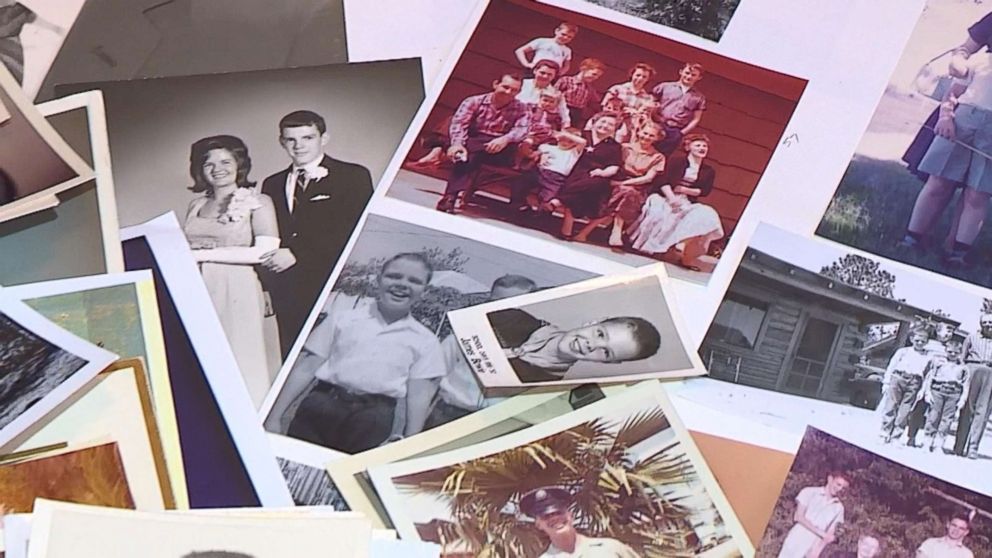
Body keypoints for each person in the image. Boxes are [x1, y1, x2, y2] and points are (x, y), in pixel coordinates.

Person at [265, 253, 445, 453]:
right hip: (322, 405)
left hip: (373, 418)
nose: (402, 284)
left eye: (414, 281)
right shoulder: (343, 319)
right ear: (379, 279)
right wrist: (274, 417)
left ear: (424, 291)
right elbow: (306, 368)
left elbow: (418, 395)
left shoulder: (426, 340)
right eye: (394, 276)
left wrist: (410, 445)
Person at [259, 110, 374, 359]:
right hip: (286, 288)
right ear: (282, 142)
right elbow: (267, 236)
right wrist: (265, 285)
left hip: (331, 283)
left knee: (335, 355)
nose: (298, 146)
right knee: (292, 356)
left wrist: (298, 253)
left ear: (324, 138)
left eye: (308, 138)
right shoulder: (272, 183)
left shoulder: (353, 176)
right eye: (291, 139)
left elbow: (353, 229)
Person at [182, 135, 279, 408]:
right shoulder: (196, 205)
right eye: (208, 163)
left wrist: (200, 255)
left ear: (240, 164)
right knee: (201, 356)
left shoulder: (259, 201)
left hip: (237, 286)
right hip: (196, 286)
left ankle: (247, 419)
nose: (217, 168)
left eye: (225, 161)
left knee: (240, 356)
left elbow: (264, 251)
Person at [901, 14, 992, 266]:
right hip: (962, 119)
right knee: (939, 181)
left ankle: (957, 253)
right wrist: (946, 116)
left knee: (978, 193)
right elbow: (956, 82)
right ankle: (912, 239)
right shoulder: (982, 61)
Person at [424, 275, 538, 429]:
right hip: (447, 416)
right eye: (493, 303)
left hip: (496, 425)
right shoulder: (463, 337)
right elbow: (430, 380)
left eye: (509, 305)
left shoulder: (538, 350)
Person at [435, 73, 531, 214]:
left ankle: (450, 195)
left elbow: (522, 129)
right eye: (505, 87)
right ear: (495, 84)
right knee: (469, 154)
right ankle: (451, 197)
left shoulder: (522, 108)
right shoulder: (474, 101)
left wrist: (505, 139)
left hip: (501, 148)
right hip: (476, 142)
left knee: (470, 150)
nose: (509, 92)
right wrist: (457, 144)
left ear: (519, 92)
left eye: (514, 90)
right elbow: (460, 124)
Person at [487, 306, 661, 383]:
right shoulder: (514, 318)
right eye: (600, 333)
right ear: (594, 321)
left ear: (608, 363)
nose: (592, 345)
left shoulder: (541, 385)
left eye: (606, 352)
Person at [627, 134, 723, 271]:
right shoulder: (676, 161)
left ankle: (685, 251)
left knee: (706, 214)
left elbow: (704, 191)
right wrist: (672, 198)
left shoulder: (708, 171)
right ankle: (648, 247)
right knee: (659, 214)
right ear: (688, 147)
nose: (702, 148)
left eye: (704, 146)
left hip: (686, 200)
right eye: (698, 145)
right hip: (665, 196)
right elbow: (664, 182)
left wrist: (684, 189)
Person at [596, 121, 666, 249]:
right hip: (615, 179)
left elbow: (648, 178)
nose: (646, 137)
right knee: (625, 191)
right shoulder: (625, 148)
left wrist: (623, 183)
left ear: (657, 138)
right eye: (645, 133)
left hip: (638, 186)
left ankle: (616, 230)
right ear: (639, 132)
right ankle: (615, 230)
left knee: (629, 192)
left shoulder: (658, 157)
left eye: (651, 135)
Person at [553, 112, 623, 240]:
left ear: (615, 129)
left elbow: (615, 167)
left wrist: (603, 172)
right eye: (603, 121)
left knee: (595, 182)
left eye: (611, 124)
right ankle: (566, 231)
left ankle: (558, 202)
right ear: (594, 122)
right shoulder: (581, 135)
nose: (605, 126)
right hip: (575, 171)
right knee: (579, 183)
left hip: (596, 177)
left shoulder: (615, 147)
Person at [519, 486, 640, 558]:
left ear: (570, 515)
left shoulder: (611, 548)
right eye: (546, 516)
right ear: (538, 524)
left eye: (558, 512)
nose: (555, 518)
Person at [509, 128, 586, 213]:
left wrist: (564, 134)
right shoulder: (547, 147)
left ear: (575, 143)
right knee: (520, 182)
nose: (565, 143)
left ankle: (540, 215)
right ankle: (520, 206)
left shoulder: (573, 152)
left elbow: (583, 142)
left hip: (556, 178)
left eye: (570, 141)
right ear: (558, 138)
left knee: (548, 199)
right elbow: (531, 155)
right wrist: (528, 145)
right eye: (563, 139)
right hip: (539, 172)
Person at [879, 329, 934, 443]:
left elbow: (928, 375)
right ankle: (884, 433)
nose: (919, 343)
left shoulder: (928, 356)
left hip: (914, 382)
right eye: (917, 340)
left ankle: (896, 436)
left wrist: (922, 390)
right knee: (890, 406)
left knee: (905, 411)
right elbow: (891, 366)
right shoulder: (903, 351)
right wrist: (886, 382)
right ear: (912, 339)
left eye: (922, 341)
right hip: (898, 378)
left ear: (927, 342)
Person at [777, 472, 849, 558]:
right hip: (797, 537)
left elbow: (829, 534)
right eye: (838, 484)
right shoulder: (809, 492)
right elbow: (798, 517)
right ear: (830, 479)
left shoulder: (839, 508)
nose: (839, 489)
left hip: (815, 543)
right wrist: (820, 533)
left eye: (843, 487)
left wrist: (817, 551)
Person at [921, 339, 970, 452]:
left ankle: (939, 444)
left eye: (956, 353)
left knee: (947, 420)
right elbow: (930, 378)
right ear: (946, 351)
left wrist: (962, 399)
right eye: (950, 352)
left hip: (953, 393)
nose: (952, 354)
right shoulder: (939, 363)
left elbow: (965, 385)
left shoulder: (963, 367)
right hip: (938, 390)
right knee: (933, 417)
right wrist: (927, 393)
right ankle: (927, 441)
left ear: (960, 353)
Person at [955, 314, 992, 458]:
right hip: (972, 369)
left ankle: (973, 448)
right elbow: (962, 358)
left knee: (982, 413)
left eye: (991, 322)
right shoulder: (971, 337)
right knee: (966, 410)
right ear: (980, 324)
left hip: (990, 373)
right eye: (985, 322)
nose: (989, 325)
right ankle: (959, 446)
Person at [650, 62, 707, 155]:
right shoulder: (665, 87)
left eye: (693, 75)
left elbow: (696, 119)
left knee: (661, 156)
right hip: (657, 125)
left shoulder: (698, 97)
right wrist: (652, 119)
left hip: (675, 130)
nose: (689, 76)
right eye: (687, 73)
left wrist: (681, 133)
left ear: (699, 77)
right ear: (681, 72)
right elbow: (650, 103)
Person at [601, 63, 657, 140]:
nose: (640, 78)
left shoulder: (647, 98)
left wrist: (638, 114)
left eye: (644, 77)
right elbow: (604, 107)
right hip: (609, 126)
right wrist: (623, 111)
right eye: (638, 75)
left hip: (629, 131)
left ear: (647, 79)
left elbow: (645, 118)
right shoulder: (617, 89)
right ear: (632, 75)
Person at [516, 90, 567, 167]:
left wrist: (553, 133)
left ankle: (534, 159)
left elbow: (556, 127)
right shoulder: (533, 108)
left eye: (551, 102)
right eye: (545, 100)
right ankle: (521, 161)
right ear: (539, 99)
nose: (547, 104)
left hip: (546, 137)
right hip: (532, 134)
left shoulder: (556, 116)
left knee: (546, 147)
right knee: (525, 144)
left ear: (556, 104)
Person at [517, 60, 570, 128]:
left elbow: (565, 117)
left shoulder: (556, 94)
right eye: (542, 73)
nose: (545, 76)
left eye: (549, 74)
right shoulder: (521, 84)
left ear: (554, 76)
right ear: (535, 71)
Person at [555, 58, 606, 127]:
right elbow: (553, 94)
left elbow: (596, 103)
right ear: (584, 69)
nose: (595, 78)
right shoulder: (566, 80)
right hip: (561, 109)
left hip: (576, 114)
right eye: (594, 74)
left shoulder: (589, 89)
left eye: (598, 76)